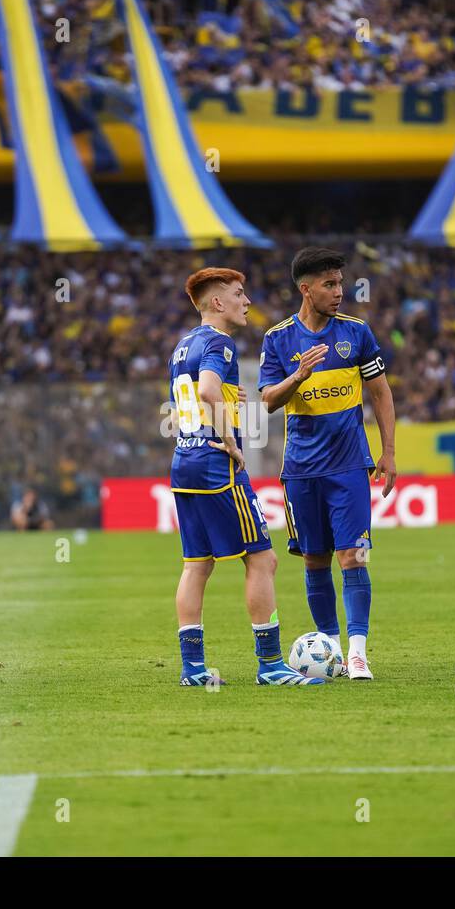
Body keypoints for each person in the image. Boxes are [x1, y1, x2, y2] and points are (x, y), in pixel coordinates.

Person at [169, 266, 322, 688]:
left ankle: (193, 669)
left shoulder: (182, 346)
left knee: (197, 565)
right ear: (217, 302)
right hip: (216, 464)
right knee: (261, 558)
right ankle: (271, 665)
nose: (246, 301)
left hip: (184, 461)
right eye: (238, 294)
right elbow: (208, 391)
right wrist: (232, 443)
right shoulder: (220, 343)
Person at [258, 247, 398, 681]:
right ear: (306, 289)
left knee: (353, 556)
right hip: (300, 471)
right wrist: (297, 376)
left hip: (349, 466)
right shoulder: (277, 339)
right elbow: (267, 401)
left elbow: (381, 394)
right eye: (329, 284)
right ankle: (329, 648)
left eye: (341, 283)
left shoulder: (356, 333)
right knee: (315, 561)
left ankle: (357, 652)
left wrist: (388, 451)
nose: (340, 292)